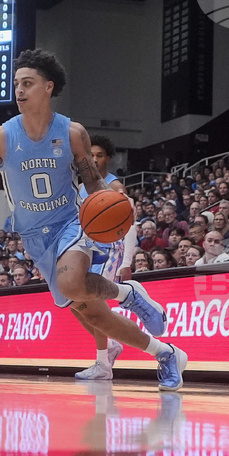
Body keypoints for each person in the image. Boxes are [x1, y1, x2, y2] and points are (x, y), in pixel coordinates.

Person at [0, 48, 186, 390]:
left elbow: (93, 181)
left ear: (48, 87)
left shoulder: (73, 132)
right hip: (34, 237)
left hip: (72, 223)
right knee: (92, 313)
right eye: (17, 83)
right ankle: (166, 353)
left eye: (28, 83)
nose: (19, 90)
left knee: (72, 283)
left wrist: (111, 206)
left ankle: (129, 294)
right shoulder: (1, 136)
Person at [71, 134, 137, 380]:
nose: (95, 159)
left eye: (100, 155)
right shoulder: (80, 187)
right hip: (87, 247)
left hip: (110, 249)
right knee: (73, 303)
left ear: (108, 158)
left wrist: (127, 261)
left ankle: (103, 364)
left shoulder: (115, 186)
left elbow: (130, 224)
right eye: (91, 155)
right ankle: (110, 347)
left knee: (93, 302)